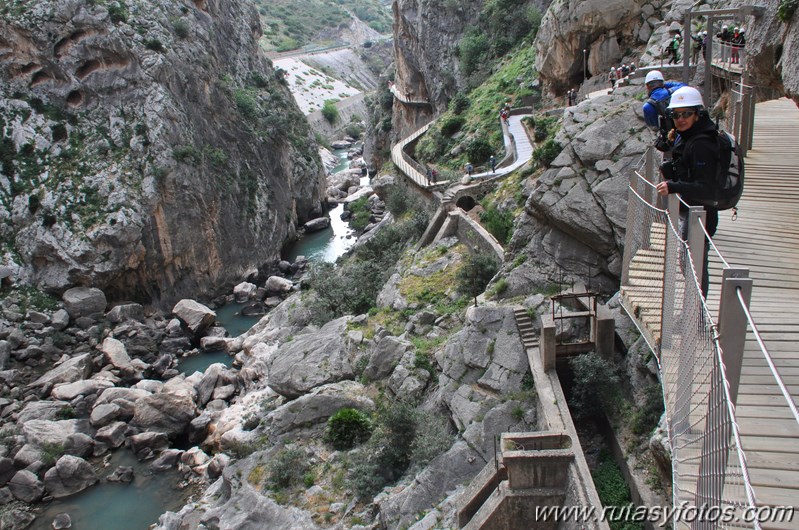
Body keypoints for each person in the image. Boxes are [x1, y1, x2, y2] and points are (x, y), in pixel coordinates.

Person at [655, 86, 719, 297]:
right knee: (688, 260)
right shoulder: (689, 135)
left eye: (686, 114)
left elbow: (706, 187)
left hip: (702, 213)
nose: (680, 119)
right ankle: (693, 309)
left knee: (695, 263)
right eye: (676, 115)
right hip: (693, 210)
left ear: (697, 114)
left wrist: (674, 186)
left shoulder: (702, 144)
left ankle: (696, 313)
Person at [642, 70, 685, 150]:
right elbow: (683, 85)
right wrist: (666, 85)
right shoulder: (675, 91)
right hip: (685, 129)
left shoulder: (648, 106)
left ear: (647, 87)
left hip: (670, 135)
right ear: (662, 83)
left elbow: (654, 127)